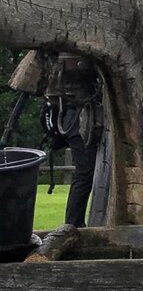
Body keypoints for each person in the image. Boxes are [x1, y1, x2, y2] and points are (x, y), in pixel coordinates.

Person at [8, 50, 103, 228]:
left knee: (85, 172)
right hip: (75, 116)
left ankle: (74, 222)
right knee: (85, 173)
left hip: (71, 114)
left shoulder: (50, 53)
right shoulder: (53, 54)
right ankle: (73, 223)